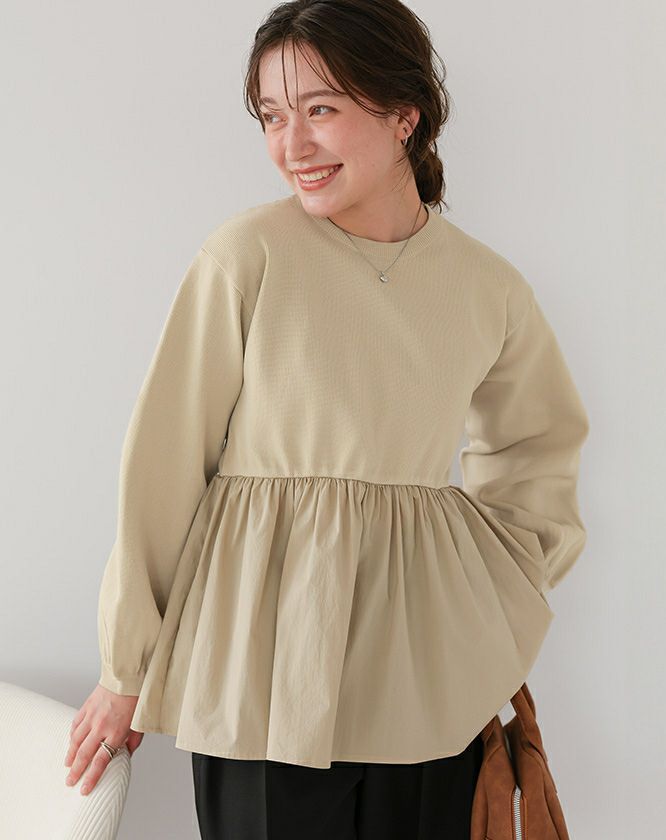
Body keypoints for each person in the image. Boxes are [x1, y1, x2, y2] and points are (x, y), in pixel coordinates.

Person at [63, 0, 590, 837]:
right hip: (260, 673)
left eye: (320, 109)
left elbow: (537, 447)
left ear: (404, 114)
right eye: (273, 117)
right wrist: (125, 667)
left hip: (425, 681)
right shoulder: (247, 256)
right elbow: (163, 469)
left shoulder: (487, 287)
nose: (291, 145)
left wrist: (488, 599)